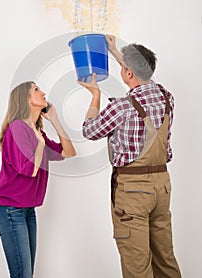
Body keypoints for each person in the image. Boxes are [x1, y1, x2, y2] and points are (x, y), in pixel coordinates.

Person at [78, 35, 181, 278]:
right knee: (164, 257)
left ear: (128, 73)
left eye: (124, 67)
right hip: (161, 187)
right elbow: (142, 75)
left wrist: (95, 96)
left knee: (137, 264)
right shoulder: (166, 97)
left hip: (133, 191)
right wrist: (115, 51)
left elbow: (90, 131)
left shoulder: (122, 106)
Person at [0, 81, 76, 278]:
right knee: (23, 275)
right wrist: (39, 144)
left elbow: (70, 152)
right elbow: (29, 170)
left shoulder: (38, 133)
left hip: (27, 209)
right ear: (26, 99)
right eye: (36, 90)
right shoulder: (18, 128)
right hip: (10, 210)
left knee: (26, 274)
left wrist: (54, 120)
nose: (43, 92)